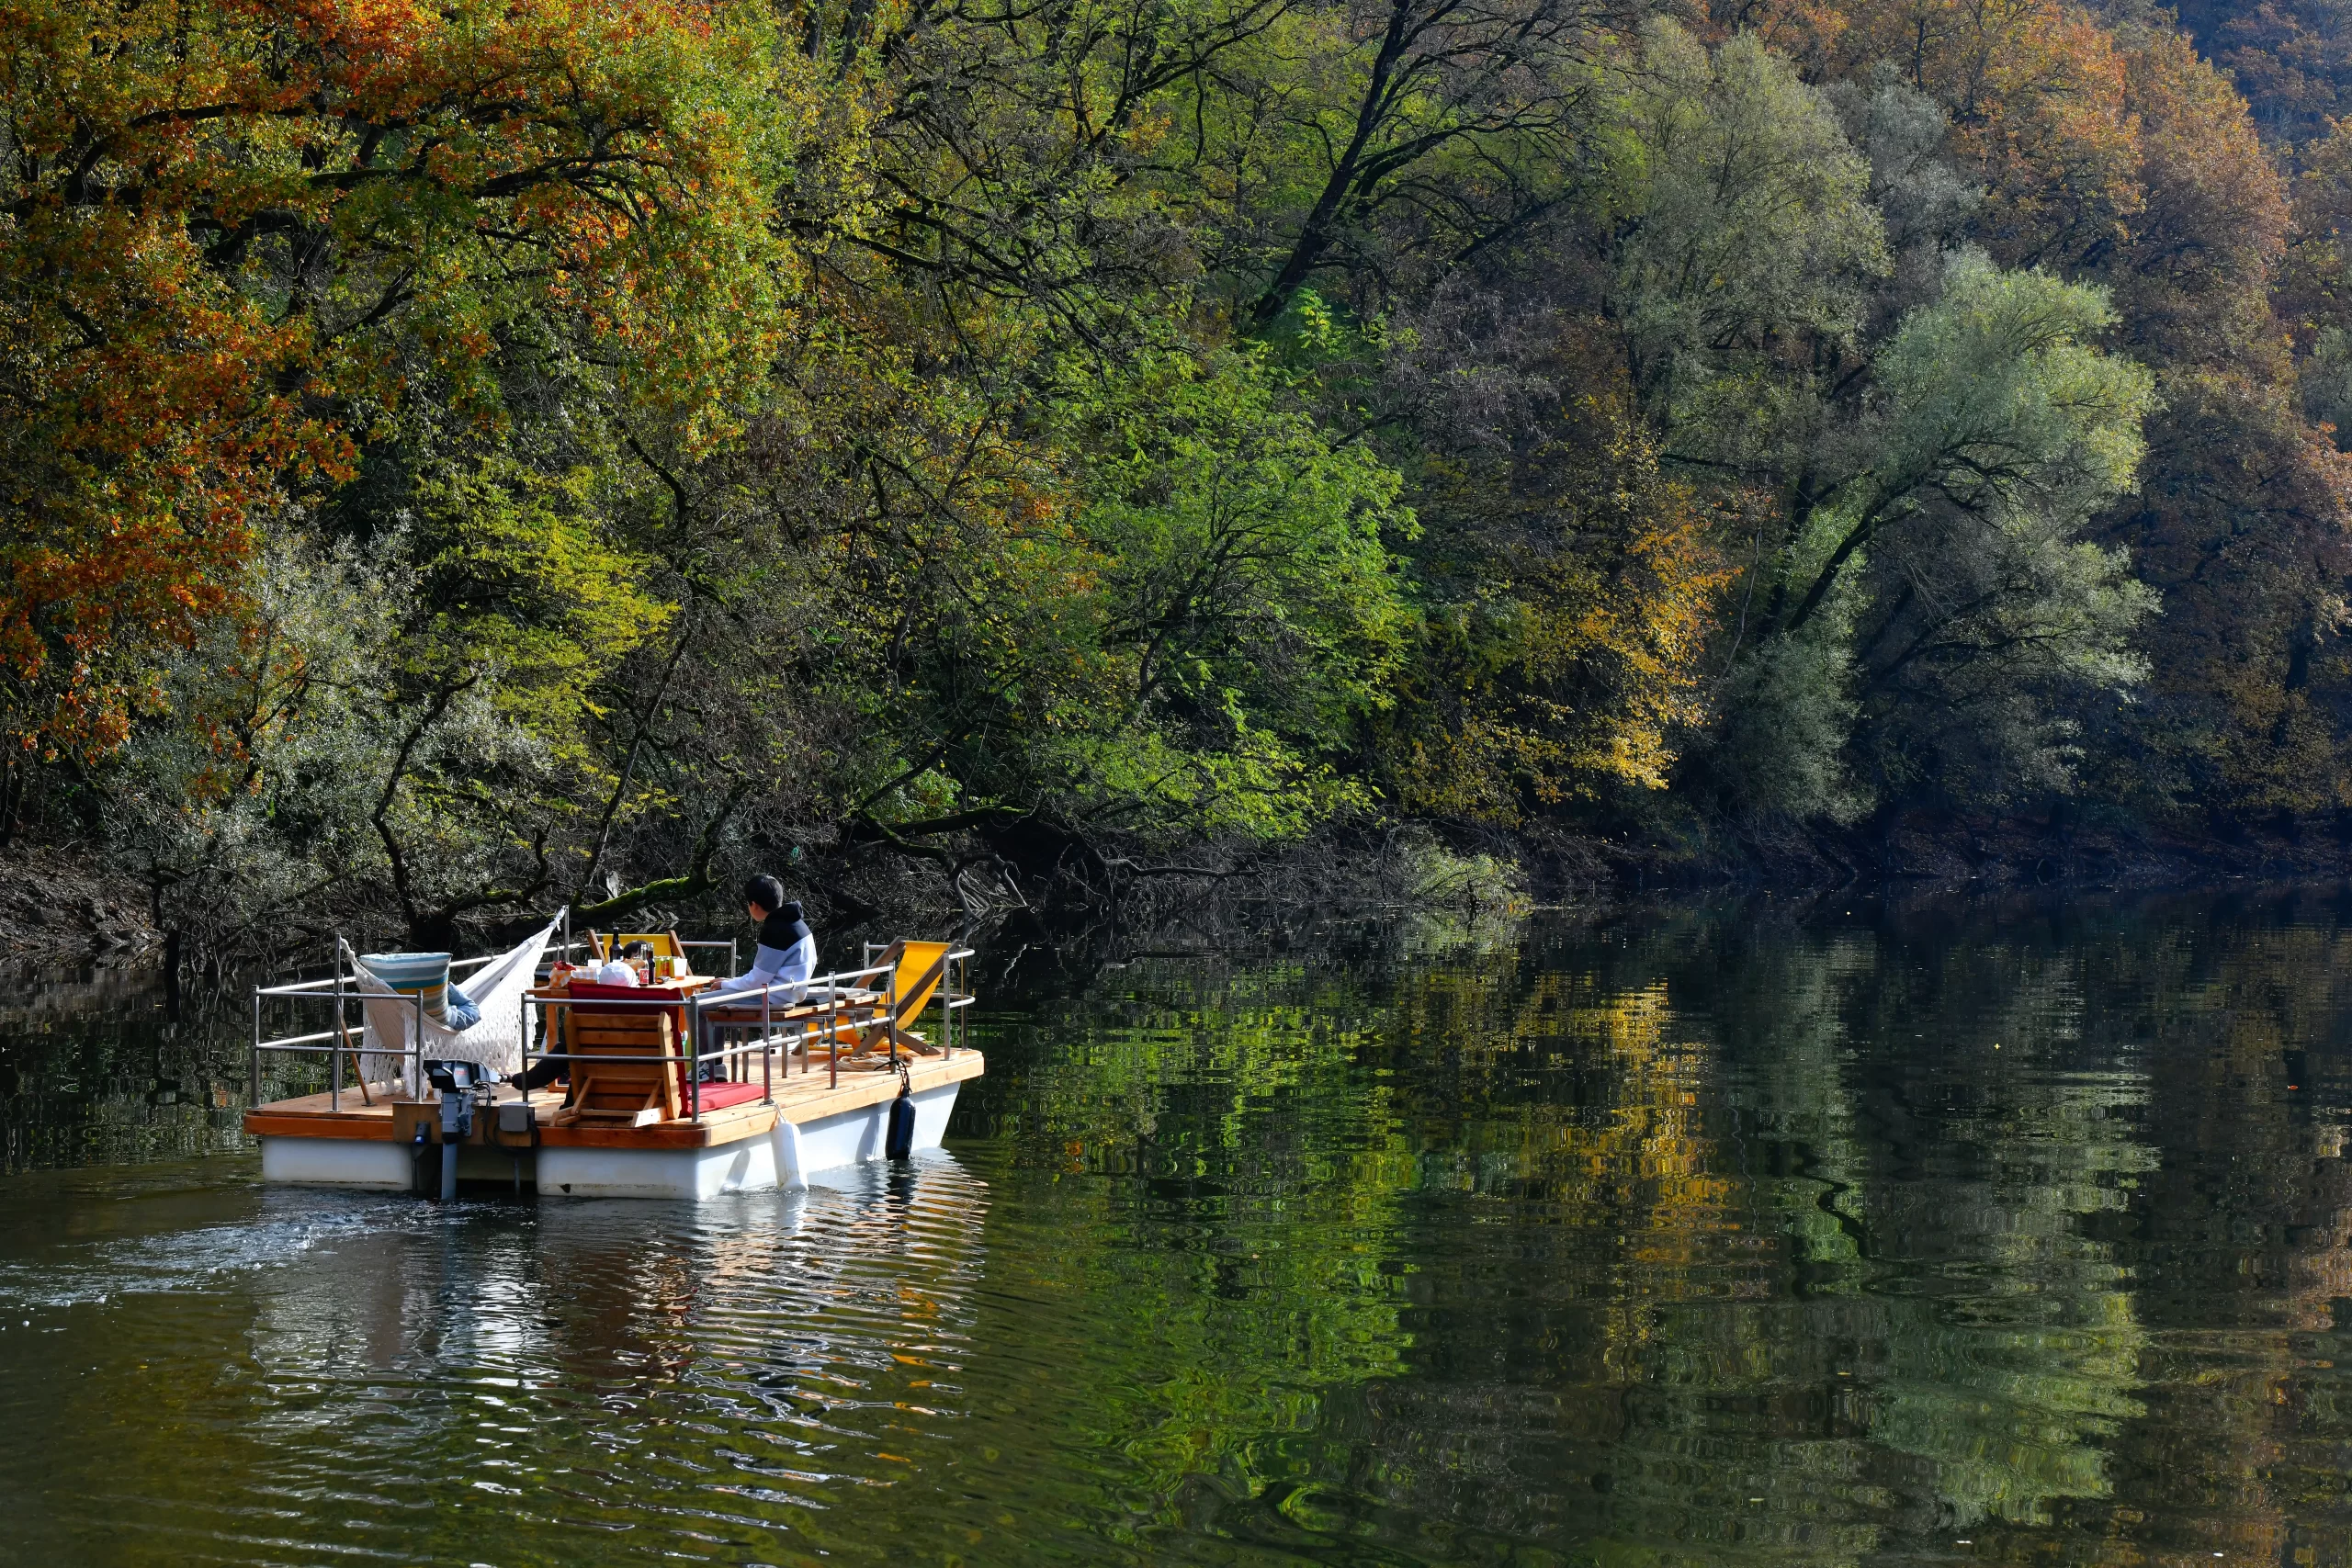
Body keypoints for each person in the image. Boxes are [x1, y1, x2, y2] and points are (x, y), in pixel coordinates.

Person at [719, 875, 818, 1003]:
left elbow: (757, 981)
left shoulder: (774, 929)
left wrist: (725, 984)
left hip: (773, 997)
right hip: (792, 994)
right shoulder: (797, 922)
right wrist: (730, 983)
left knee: (693, 1003)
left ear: (754, 905)